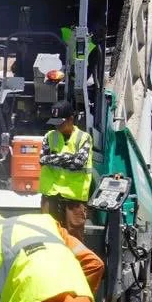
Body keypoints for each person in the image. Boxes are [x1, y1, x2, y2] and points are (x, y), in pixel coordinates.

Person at [40, 100, 93, 238]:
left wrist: (54, 158)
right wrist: (67, 157)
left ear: (71, 119)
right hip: (51, 195)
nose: (57, 127)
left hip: (74, 198)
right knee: (48, 235)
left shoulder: (84, 138)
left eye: (61, 123)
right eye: (55, 123)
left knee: (74, 238)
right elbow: (43, 159)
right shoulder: (49, 136)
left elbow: (78, 163)